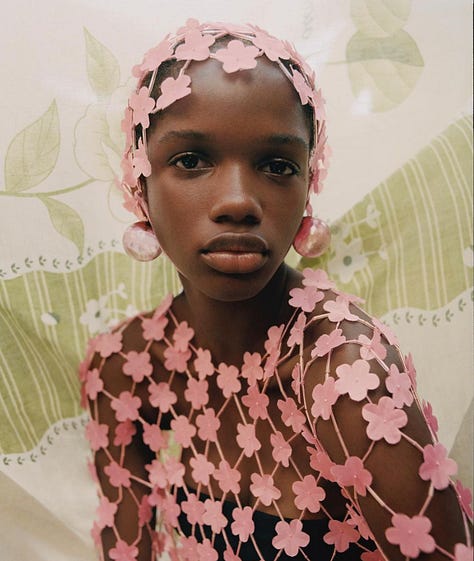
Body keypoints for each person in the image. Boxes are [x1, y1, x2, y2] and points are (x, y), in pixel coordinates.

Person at [80, 20, 473, 561]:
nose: (238, 201)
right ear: (139, 184)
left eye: (277, 165)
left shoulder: (342, 374)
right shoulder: (124, 369)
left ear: (308, 185)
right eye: (190, 160)